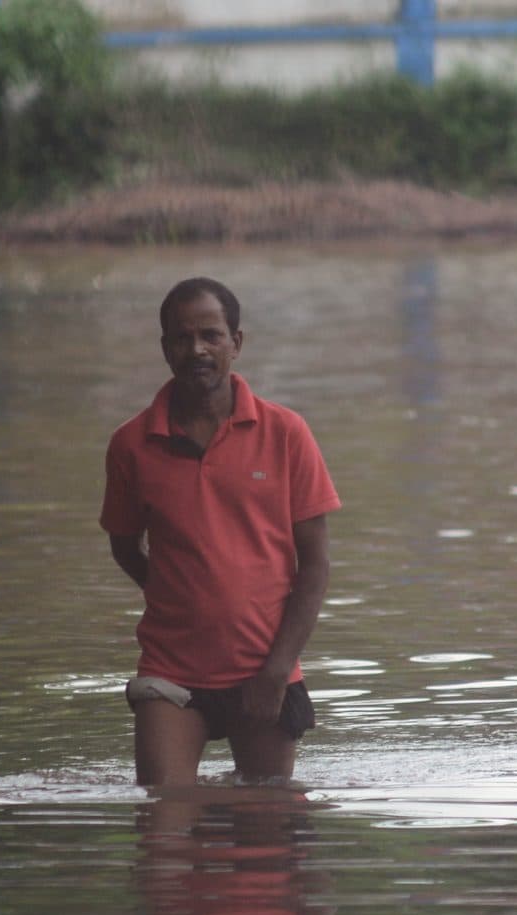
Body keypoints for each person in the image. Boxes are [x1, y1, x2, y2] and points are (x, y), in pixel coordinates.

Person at [100, 278, 340, 787]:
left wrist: (276, 672)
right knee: (162, 816)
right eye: (182, 338)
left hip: (265, 667)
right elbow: (124, 544)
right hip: (171, 666)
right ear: (165, 347)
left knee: (265, 820)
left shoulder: (286, 433)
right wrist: (176, 594)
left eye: (211, 335)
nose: (197, 350)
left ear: (236, 342)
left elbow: (315, 566)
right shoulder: (131, 444)